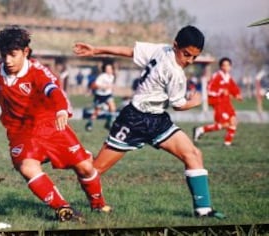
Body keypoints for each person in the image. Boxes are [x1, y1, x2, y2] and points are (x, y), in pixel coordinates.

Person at [73, 25, 225, 219]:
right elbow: (178, 105)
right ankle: (88, 199)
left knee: (193, 154)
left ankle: (203, 211)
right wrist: (194, 102)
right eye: (186, 54)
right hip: (133, 120)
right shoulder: (175, 72)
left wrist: (96, 50)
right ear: (175, 45)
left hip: (157, 120)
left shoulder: (161, 50)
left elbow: (130, 51)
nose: (189, 61)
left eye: (194, 57)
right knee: (94, 170)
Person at [0, 25, 111, 222]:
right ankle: (63, 208)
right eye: (4, 55)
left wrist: (61, 108)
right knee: (27, 168)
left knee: (86, 168)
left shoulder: (38, 72)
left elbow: (52, 89)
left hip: (49, 125)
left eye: (13, 54)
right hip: (21, 131)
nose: (8, 60)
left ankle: (98, 205)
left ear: (26, 52)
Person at [193, 57, 242, 146]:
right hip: (218, 103)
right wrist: (220, 91)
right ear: (220, 67)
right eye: (224, 65)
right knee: (224, 124)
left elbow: (233, 88)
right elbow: (209, 89)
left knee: (234, 121)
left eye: (228, 65)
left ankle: (227, 143)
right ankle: (200, 130)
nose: (226, 67)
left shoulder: (228, 77)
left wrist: (237, 94)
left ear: (230, 67)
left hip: (227, 103)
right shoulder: (217, 76)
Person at [85, 62, 117, 131]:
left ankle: (108, 124)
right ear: (105, 70)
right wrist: (103, 87)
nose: (109, 70)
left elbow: (110, 85)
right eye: (107, 69)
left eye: (110, 69)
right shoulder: (102, 76)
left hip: (108, 95)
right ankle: (89, 124)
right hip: (100, 95)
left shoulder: (112, 76)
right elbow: (94, 85)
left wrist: (111, 88)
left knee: (112, 108)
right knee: (97, 112)